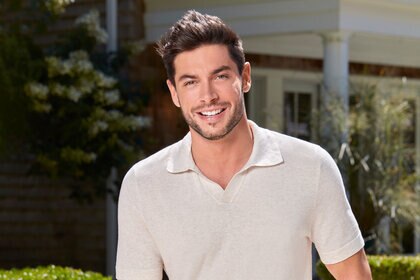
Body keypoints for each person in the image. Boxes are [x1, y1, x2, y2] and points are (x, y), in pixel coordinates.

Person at [116, 10, 372, 280]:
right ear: (174, 92)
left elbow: (354, 275)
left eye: (220, 76)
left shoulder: (310, 167)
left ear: (245, 77)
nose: (208, 96)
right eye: (191, 82)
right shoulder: (143, 184)